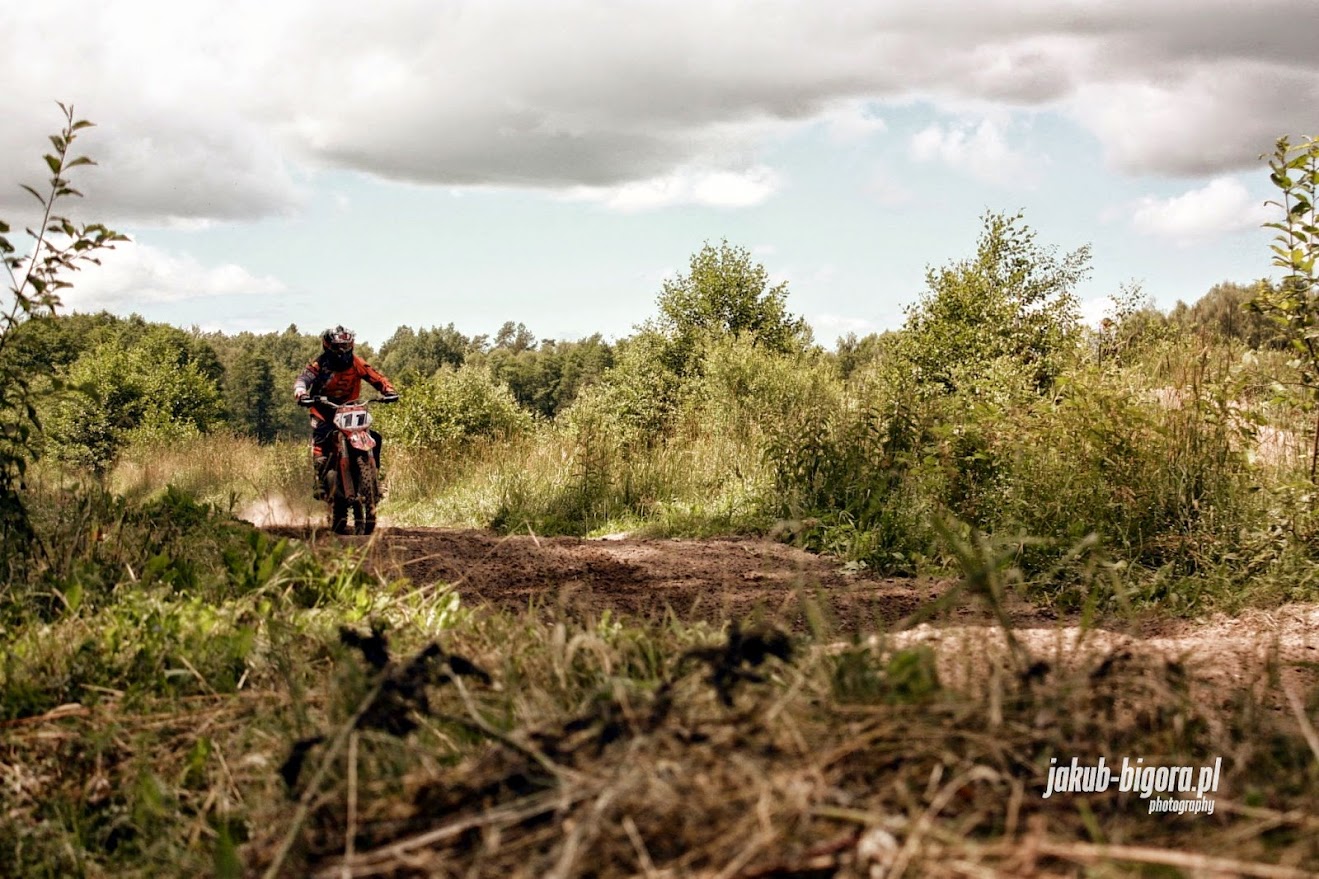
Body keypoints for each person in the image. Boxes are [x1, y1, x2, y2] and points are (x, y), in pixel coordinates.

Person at [292, 326, 398, 497]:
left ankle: (374, 478)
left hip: (349, 408)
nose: (342, 351)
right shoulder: (319, 365)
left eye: (346, 346)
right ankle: (320, 480)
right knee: (321, 438)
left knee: (375, 437)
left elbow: (376, 377)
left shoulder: (356, 363)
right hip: (323, 409)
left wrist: (389, 391)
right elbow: (302, 380)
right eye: (338, 347)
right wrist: (301, 394)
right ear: (328, 346)